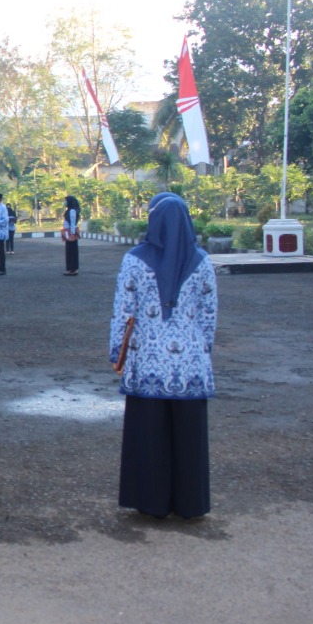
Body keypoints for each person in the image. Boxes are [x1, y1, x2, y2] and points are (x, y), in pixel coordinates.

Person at [111, 192, 217, 520]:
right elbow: (209, 315)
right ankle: (190, 504)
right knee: (189, 437)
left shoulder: (135, 260)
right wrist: (203, 351)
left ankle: (152, 502)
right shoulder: (202, 261)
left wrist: (117, 354)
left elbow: (124, 312)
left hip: (148, 362)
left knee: (149, 434)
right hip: (190, 365)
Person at [62, 195, 80, 275]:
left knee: (71, 251)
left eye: (66, 201)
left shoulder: (72, 210)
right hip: (69, 232)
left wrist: (72, 233)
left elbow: (72, 222)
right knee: (70, 251)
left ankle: (73, 269)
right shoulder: (69, 210)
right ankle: (71, 269)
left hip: (70, 232)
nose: (65, 202)